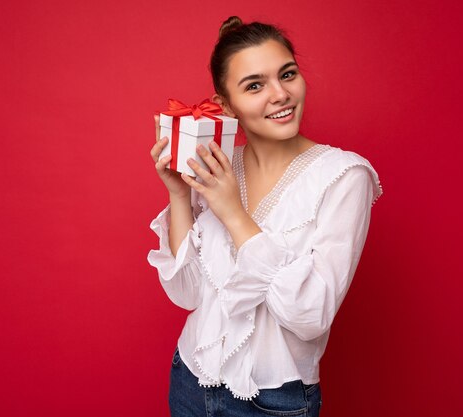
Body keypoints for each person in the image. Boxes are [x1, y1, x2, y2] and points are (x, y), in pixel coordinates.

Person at [148, 16, 383, 417]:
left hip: (272, 402)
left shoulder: (344, 176)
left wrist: (234, 214)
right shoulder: (221, 167)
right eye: (254, 85)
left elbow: (310, 316)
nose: (280, 94)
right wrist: (180, 194)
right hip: (189, 379)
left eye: (287, 74)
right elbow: (187, 294)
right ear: (225, 106)